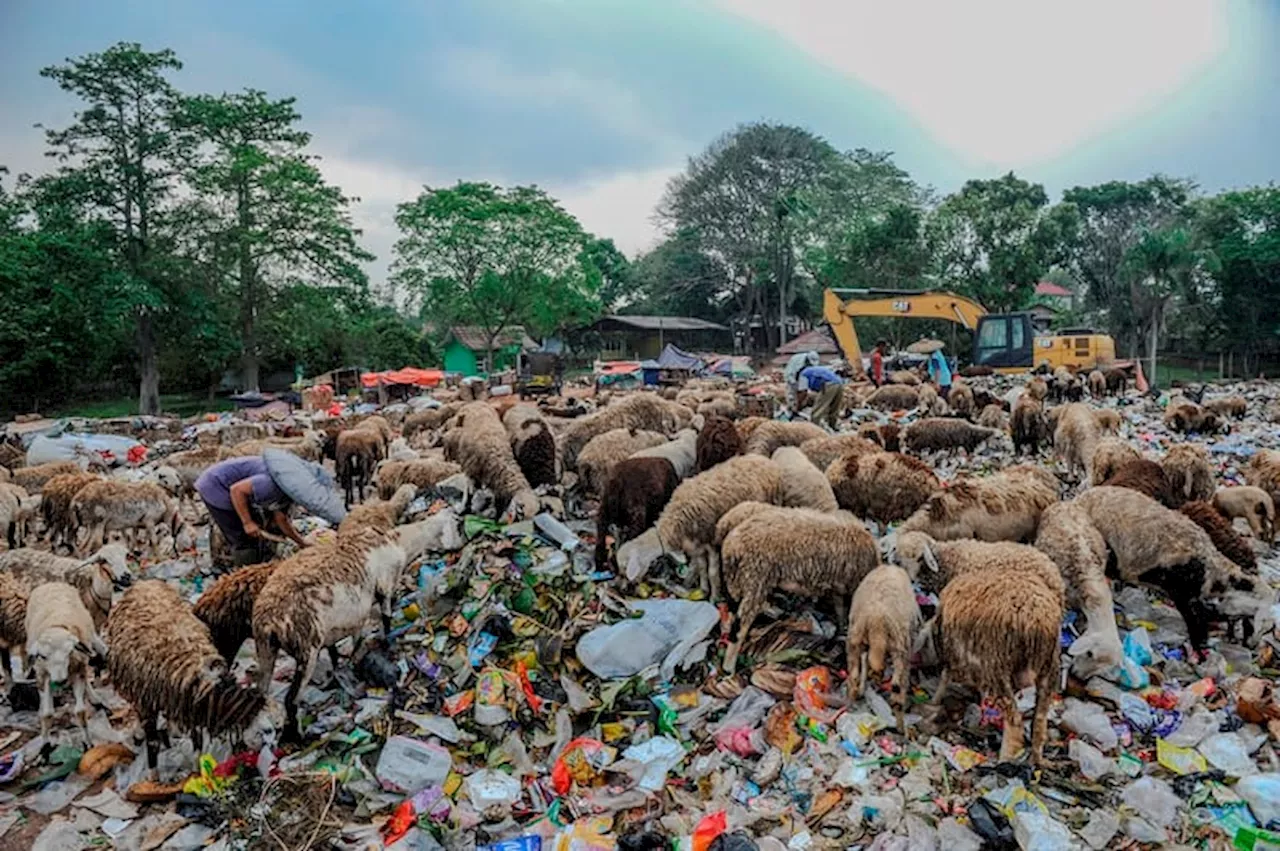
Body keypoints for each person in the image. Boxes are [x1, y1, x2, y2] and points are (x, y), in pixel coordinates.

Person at [196, 456, 309, 567]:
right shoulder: (270, 483)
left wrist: (301, 543)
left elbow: (281, 519)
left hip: (236, 487)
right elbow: (237, 491)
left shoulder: (287, 488)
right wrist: (247, 522)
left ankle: (260, 560)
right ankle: (246, 575)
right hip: (216, 486)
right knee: (243, 539)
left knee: (259, 528)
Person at [799, 363, 846, 429]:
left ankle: (813, 428)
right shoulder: (815, 369)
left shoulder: (803, 374)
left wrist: (800, 404)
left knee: (818, 410)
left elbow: (803, 391)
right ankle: (833, 426)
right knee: (834, 408)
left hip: (828, 384)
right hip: (839, 383)